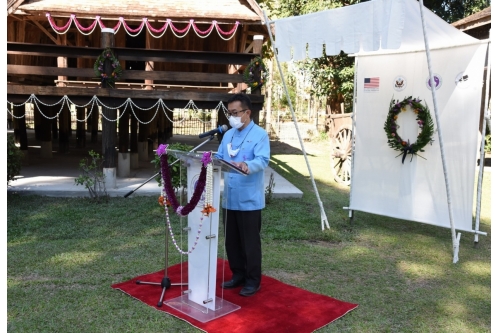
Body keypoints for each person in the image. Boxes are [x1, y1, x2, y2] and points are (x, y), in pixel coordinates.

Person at [215, 93, 270, 297]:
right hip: (229, 197)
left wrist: (247, 164)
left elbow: (263, 160)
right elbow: (220, 157)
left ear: (247, 113)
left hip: (249, 199)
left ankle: (253, 280)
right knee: (232, 241)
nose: (232, 117)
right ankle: (237, 274)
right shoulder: (228, 135)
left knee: (250, 242)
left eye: (235, 113)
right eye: (229, 113)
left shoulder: (260, 134)